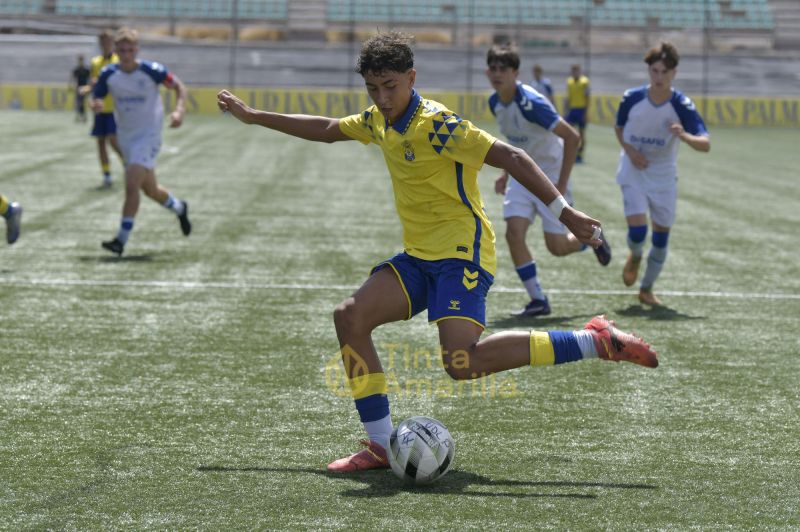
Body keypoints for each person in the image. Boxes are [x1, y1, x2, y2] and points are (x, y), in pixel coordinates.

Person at [217, 32, 658, 474]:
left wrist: (566, 214)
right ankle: (379, 445)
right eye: (373, 88)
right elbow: (329, 130)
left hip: (462, 255)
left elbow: (512, 156)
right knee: (349, 316)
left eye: (390, 86)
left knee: (462, 363)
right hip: (418, 257)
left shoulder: (439, 124)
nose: (382, 97)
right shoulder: (378, 121)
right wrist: (254, 116)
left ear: (412, 78)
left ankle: (594, 340)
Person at [487, 43, 611, 317]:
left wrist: (562, 184)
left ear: (515, 72)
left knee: (555, 247)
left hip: (550, 177)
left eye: (503, 69)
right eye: (493, 68)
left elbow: (572, 137)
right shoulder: (495, 101)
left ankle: (591, 238)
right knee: (513, 232)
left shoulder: (532, 103)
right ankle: (538, 300)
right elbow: (516, 141)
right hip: (522, 177)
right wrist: (505, 172)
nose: (497, 74)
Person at [614, 42, 710, 306]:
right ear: (649, 71)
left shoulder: (682, 105)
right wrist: (630, 151)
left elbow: (705, 143)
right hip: (633, 169)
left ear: (674, 73)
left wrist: (684, 135)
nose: (658, 77)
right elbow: (619, 127)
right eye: (654, 71)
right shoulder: (631, 98)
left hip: (664, 174)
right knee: (638, 231)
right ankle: (634, 255)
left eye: (664, 72)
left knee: (660, 236)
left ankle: (646, 289)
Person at [91, 28, 191, 256]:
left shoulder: (151, 71)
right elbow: (97, 96)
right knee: (150, 189)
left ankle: (120, 240)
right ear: (116, 51)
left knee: (131, 184)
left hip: (149, 135)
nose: (126, 54)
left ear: (137, 50)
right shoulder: (108, 74)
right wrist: (95, 104)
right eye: (122, 50)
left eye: (130, 50)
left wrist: (179, 111)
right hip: (126, 136)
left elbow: (178, 86)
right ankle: (179, 207)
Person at [83, 30, 124, 188]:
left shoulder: (118, 61)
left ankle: (127, 166)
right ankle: (106, 175)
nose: (105, 45)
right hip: (100, 109)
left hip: (113, 109)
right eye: (103, 42)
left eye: (108, 42)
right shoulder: (95, 62)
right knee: (100, 143)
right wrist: (88, 91)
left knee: (114, 142)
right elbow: (96, 84)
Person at [565, 64, 590, 163]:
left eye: (576, 71)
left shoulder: (584, 82)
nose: (574, 73)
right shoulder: (569, 81)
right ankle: (571, 153)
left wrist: (586, 112)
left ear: (579, 71)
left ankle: (580, 154)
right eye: (573, 71)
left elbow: (587, 97)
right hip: (572, 110)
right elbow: (568, 97)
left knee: (582, 133)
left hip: (581, 110)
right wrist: (565, 110)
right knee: (569, 133)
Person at [70, 55, 90, 123]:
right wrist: (72, 86)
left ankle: (84, 117)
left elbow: (89, 79)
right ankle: (78, 116)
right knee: (78, 103)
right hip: (78, 88)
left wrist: (89, 87)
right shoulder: (77, 70)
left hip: (85, 88)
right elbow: (73, 79)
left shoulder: (86, 70)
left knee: (83, 103)